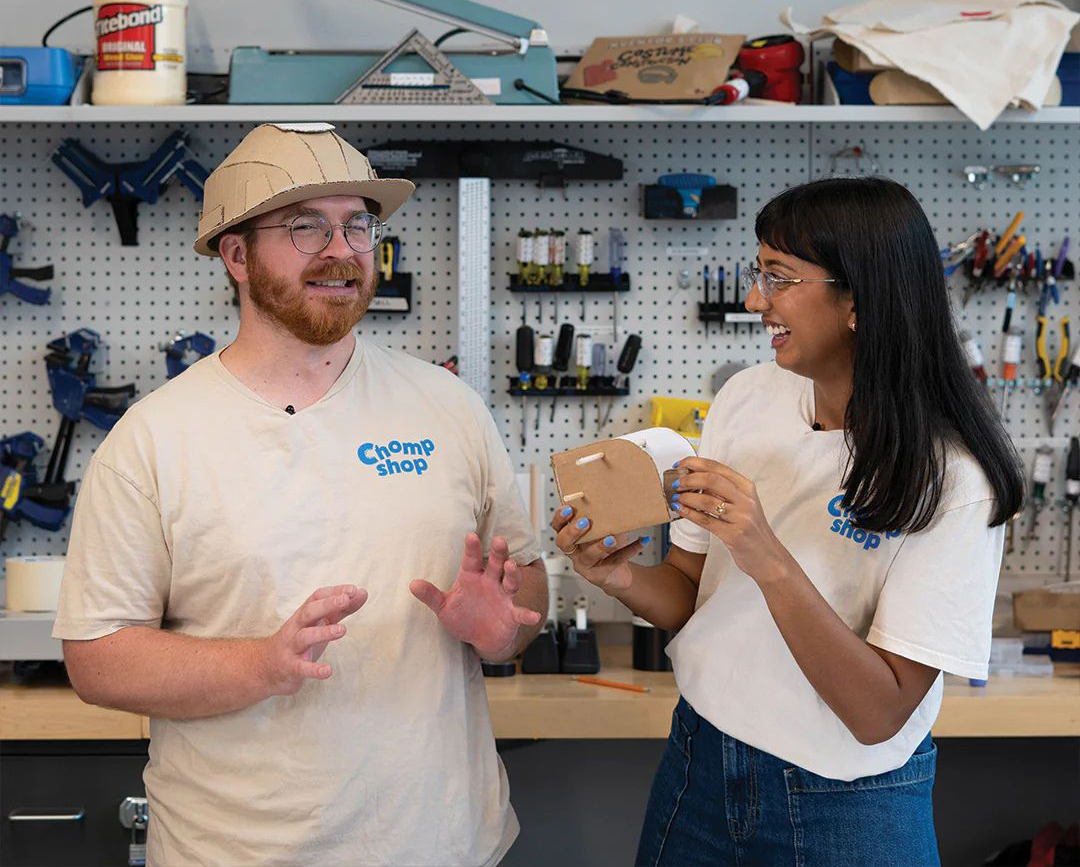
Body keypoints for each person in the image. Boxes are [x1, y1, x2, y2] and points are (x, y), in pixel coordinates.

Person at [54, 122, 547, 867]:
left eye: (358, 225)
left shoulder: (446, 405)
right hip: (238, 851)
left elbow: (524, 591)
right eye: (305, 227)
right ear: (236, 254)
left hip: (444, 843)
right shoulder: (154, 439)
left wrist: (501, 632)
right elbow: (98, 659)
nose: (342, 250)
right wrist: (262, 665)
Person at [551, 177, 1023, 866]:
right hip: (700, 759)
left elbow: (879, 712)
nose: (753, 300)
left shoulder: (953, 476)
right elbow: (690, 593)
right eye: (757, 271)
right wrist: (620, 575)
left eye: (778, 277)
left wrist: (766, 553)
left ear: (858, 297)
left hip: (848, 804)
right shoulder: (746, 395)